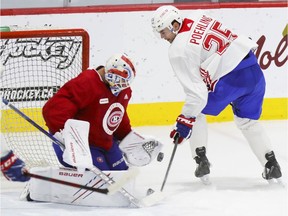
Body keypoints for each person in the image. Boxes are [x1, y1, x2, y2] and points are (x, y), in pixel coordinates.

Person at [151, 5, 282, 183]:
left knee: (196, 112)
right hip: (254, 72)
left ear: (174, 25)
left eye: (163, 31)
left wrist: (185, 121)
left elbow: (196, 95)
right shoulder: (198, 15)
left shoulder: (178, 51)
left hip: (229, 81)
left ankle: (201, 159)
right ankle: (271, 163)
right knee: (247, 121)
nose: (162, 37)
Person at [42, 53, 163, 171]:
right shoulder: (87, 82)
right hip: (84, 146)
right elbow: (52, 111)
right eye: (119, 80)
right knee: (104, 177)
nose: (121, 85)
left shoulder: (123, 90)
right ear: (109, 73)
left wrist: (126, 136)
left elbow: (118, 113)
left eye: (125, 82)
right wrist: (67, 138)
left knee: (121, 173)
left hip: (106, 143)